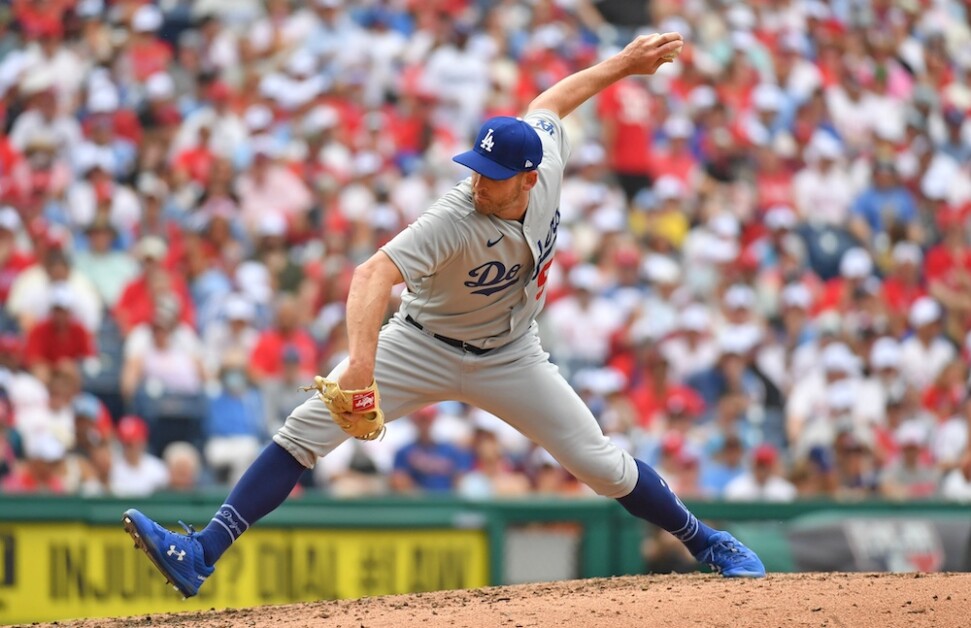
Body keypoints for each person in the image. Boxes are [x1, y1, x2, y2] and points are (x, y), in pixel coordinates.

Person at [122, 33, 765, 599]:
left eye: (493, 175)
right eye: (476, 169)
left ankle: (708, 542)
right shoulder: (453, 218)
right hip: (420, 344)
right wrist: (363, 366)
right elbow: (372, 274)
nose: (478, 182)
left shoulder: (547, 159)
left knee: (599, 463)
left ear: (529, 179)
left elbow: (551, 103)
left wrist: (623, 65)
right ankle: (202, 550)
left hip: (512, 354)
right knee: (303, 432)